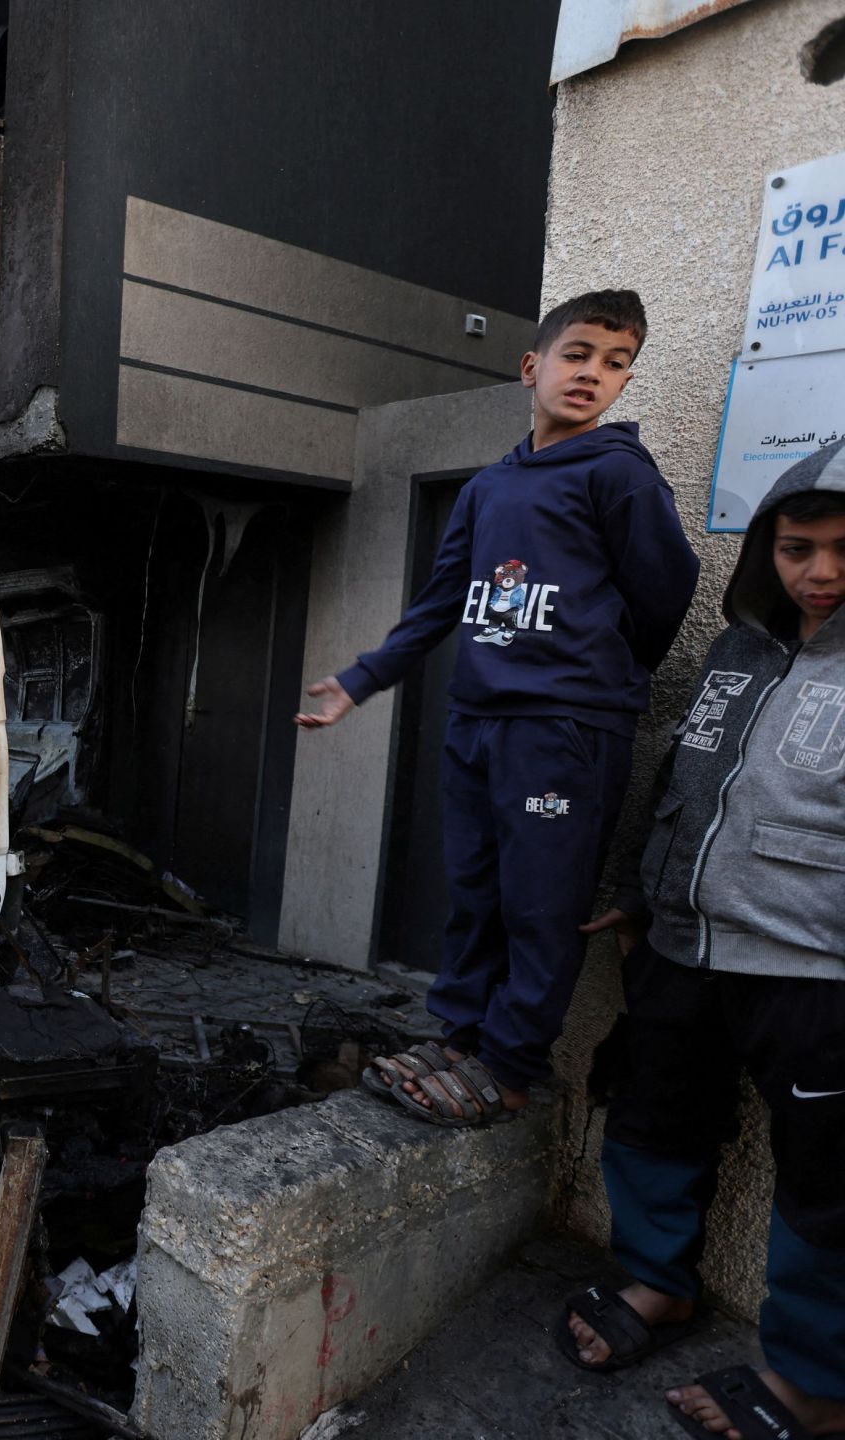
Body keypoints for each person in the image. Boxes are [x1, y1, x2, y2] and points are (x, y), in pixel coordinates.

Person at [296, 289, 699, 1125]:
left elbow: (667, 593)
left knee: (539, 901)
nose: (593, 374)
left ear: (626, 381)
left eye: (616, 364)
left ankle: (509, 1068)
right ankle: (461, 1036)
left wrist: (599, 678)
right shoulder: (488, 489)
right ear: (533, 366)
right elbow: (441, 603)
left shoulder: (618, 474)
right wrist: (362, 680)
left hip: (564, 733)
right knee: (476, 891)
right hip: (476, 723)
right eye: (578, 353)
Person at [562, 442, 845, 1438]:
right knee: (654, 1115)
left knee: (827, 1183)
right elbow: (682, 767)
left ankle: (815, 1384)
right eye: (798, 546)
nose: (820, 573)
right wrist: (638, 889)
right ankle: (656, 1282)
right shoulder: (737, 650)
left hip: (815, 970)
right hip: (684, 943)